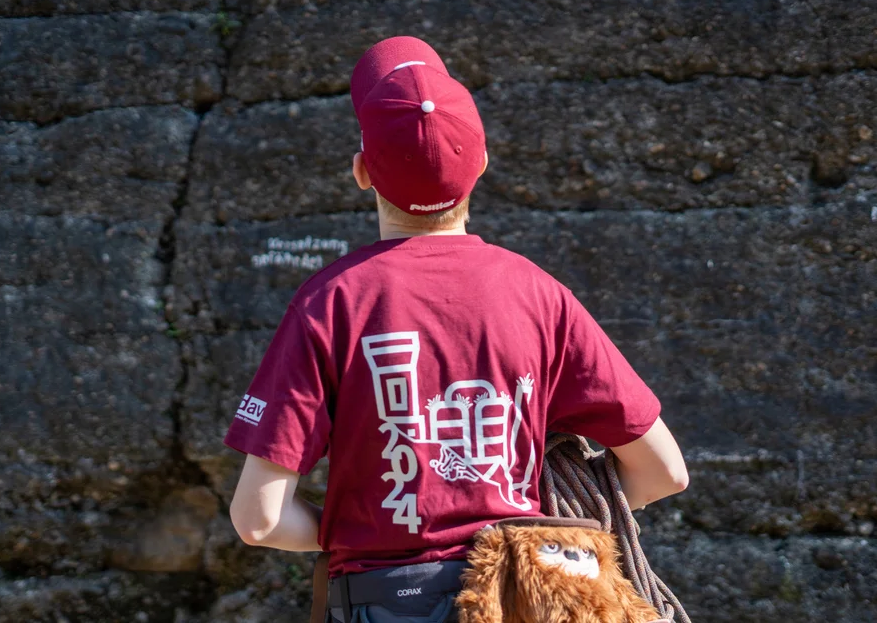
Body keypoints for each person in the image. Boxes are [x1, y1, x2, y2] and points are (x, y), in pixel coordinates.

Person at [224, 36, 689, 623]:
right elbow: (664, 472)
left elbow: (259, 519)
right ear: (483, 164)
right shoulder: (539, 295)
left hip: (383, 601)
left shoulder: (331, 302)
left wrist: (367, 533)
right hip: (525, 600)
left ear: (363, 172)